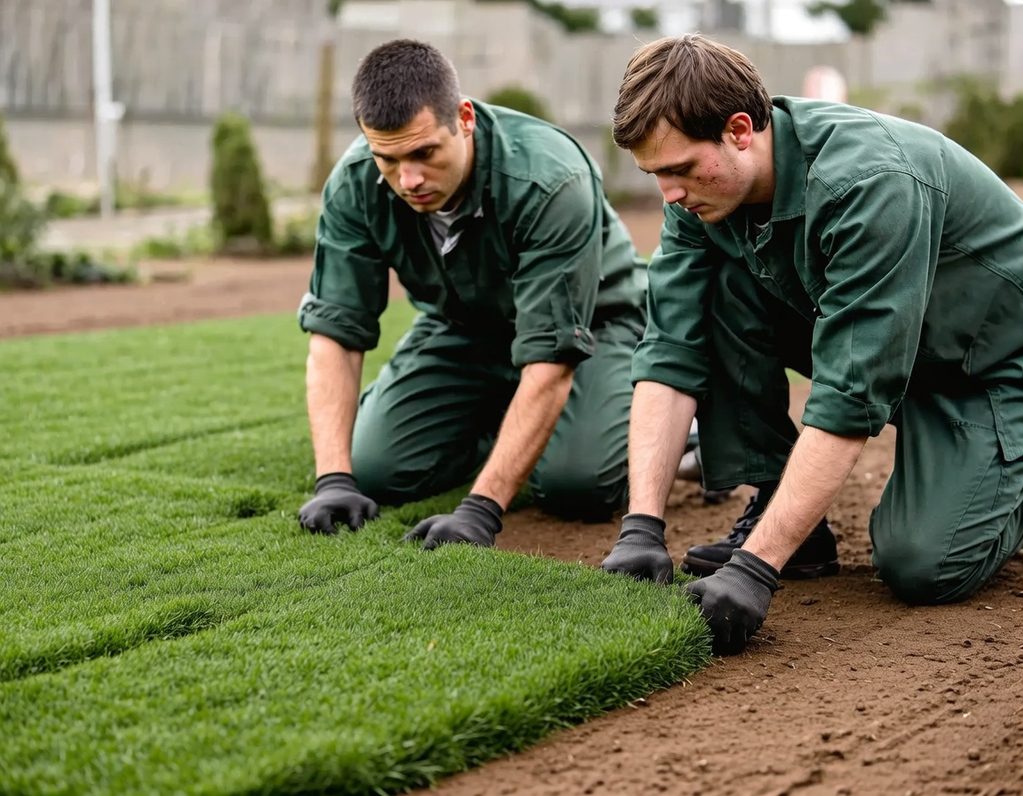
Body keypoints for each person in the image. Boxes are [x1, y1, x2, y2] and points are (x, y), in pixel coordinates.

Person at [600, 34, 1023, 655]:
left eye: (681, 169)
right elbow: (670, 347)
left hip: (988, 368)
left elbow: (850, 391)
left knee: (923, 565)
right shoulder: (704, 199)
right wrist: (640, 526)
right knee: (716, 291)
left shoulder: (868, 182)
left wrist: (754, 568)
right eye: (654, 174)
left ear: (740, 130)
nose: (669, 194)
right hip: (903, 350)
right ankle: (786, 510)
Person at [296, 39, 648, 547]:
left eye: (424, 153)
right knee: (375, 471)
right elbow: (335, 333)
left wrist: (480, 509)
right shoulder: (355, 183)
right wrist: (333, 480)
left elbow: (552, 358)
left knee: (578, 484)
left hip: (595, 324)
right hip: (463, 327)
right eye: (387, 159)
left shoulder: (549, 180)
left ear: (464, 118)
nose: (408, 179)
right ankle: (507, 421)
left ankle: (669, 433)